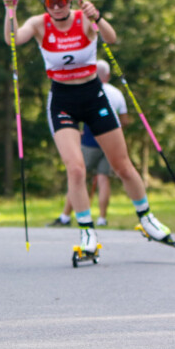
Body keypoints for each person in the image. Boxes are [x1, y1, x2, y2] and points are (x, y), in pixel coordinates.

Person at [2, 0, 174, 255]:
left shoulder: (84, 19)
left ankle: (147, 219)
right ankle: (86, 232)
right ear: (43, 2)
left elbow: (112, 37)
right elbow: (12, 40)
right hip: (62, 100)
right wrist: (11, 10)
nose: (56, 5)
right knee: (77, 168)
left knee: (122, 165)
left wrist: (97, 17)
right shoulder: (38, 24)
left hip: (94, 97)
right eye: (49, 0)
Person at [47, 59, 128, 227]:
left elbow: (77, 115)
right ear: (108, 75)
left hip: (90, 141)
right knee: (104, 179)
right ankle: (102, 218)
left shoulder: (87, 89)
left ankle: (66, 216)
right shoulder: (116, 93)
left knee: (77, 175)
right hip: (110, 141)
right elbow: (124, 120)